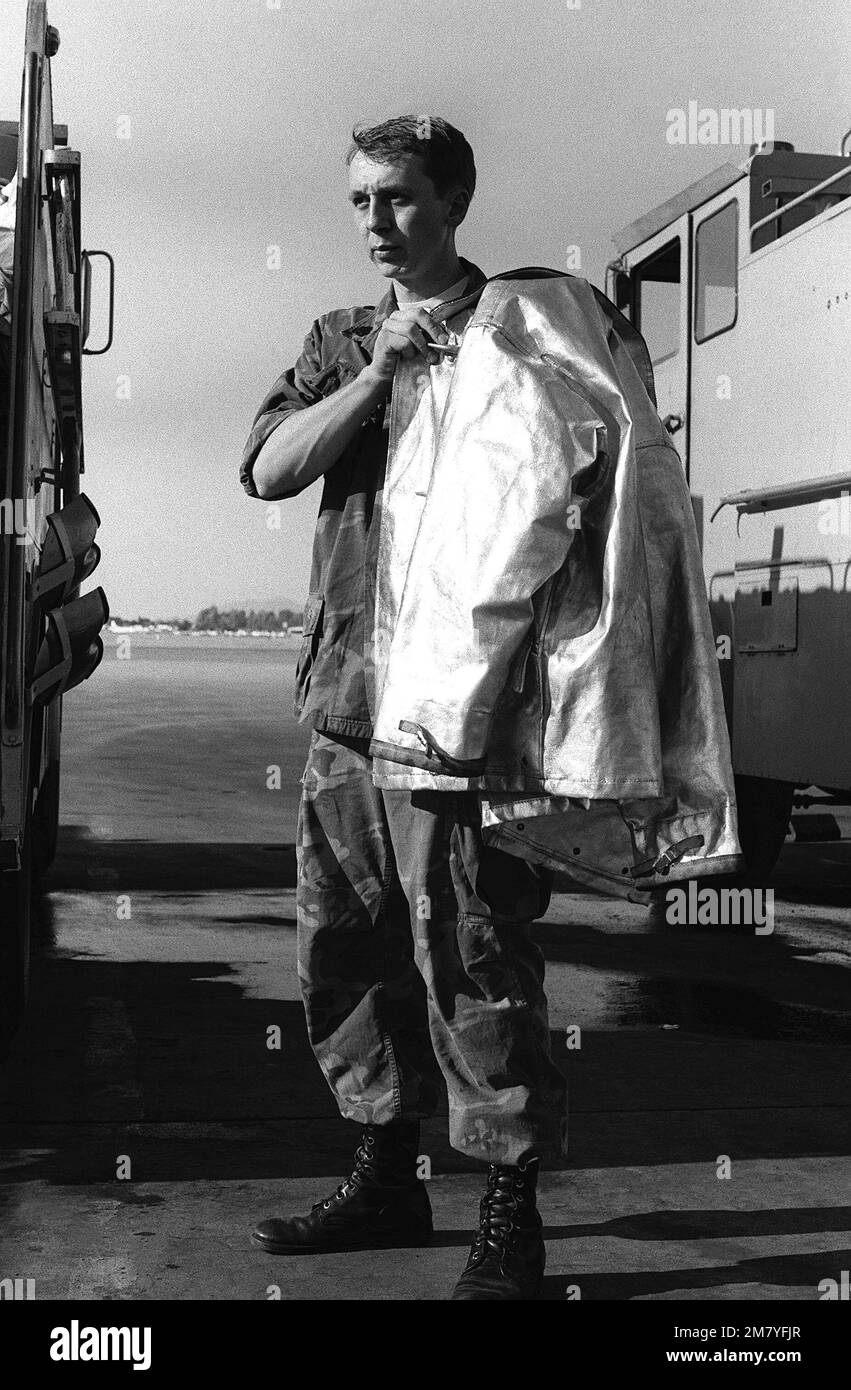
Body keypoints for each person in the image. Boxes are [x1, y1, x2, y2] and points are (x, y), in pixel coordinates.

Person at [239, 115, 566, 1301]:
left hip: (460, 720)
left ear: (453, 203)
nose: (377, 224)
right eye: (361, 203)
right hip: (346, 706)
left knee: (473, 953)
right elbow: (272, 464)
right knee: (345, 951)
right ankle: (385, 1173)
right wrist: (378, 374)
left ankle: (507, 1211)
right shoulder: (338, 338)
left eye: (399, 200)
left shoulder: (514, 334)